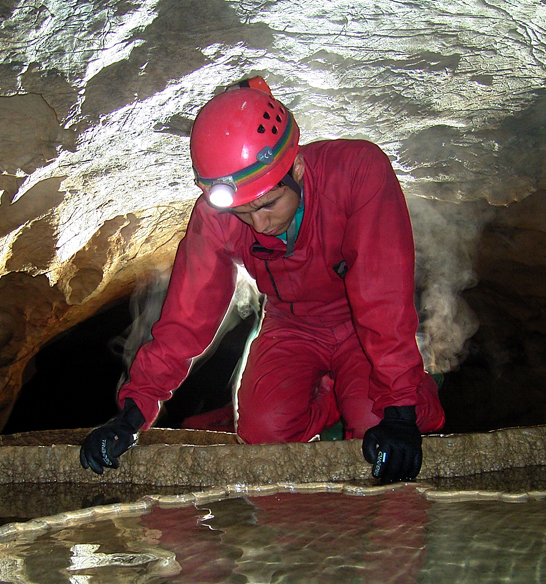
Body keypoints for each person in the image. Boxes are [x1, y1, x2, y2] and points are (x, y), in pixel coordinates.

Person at [80, 76, 444, 483]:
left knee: (373, 423)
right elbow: (185, 319)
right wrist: (132, 415)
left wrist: (399, 410)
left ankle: (407, 396)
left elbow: (383, 299)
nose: (259, 223)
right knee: (262, 432)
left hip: (360, 324)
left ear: (299, 168)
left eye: (269, 204)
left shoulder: (357, 172)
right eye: (243, 212)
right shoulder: (215, 217)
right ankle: (331, 395)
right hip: (292, 324)